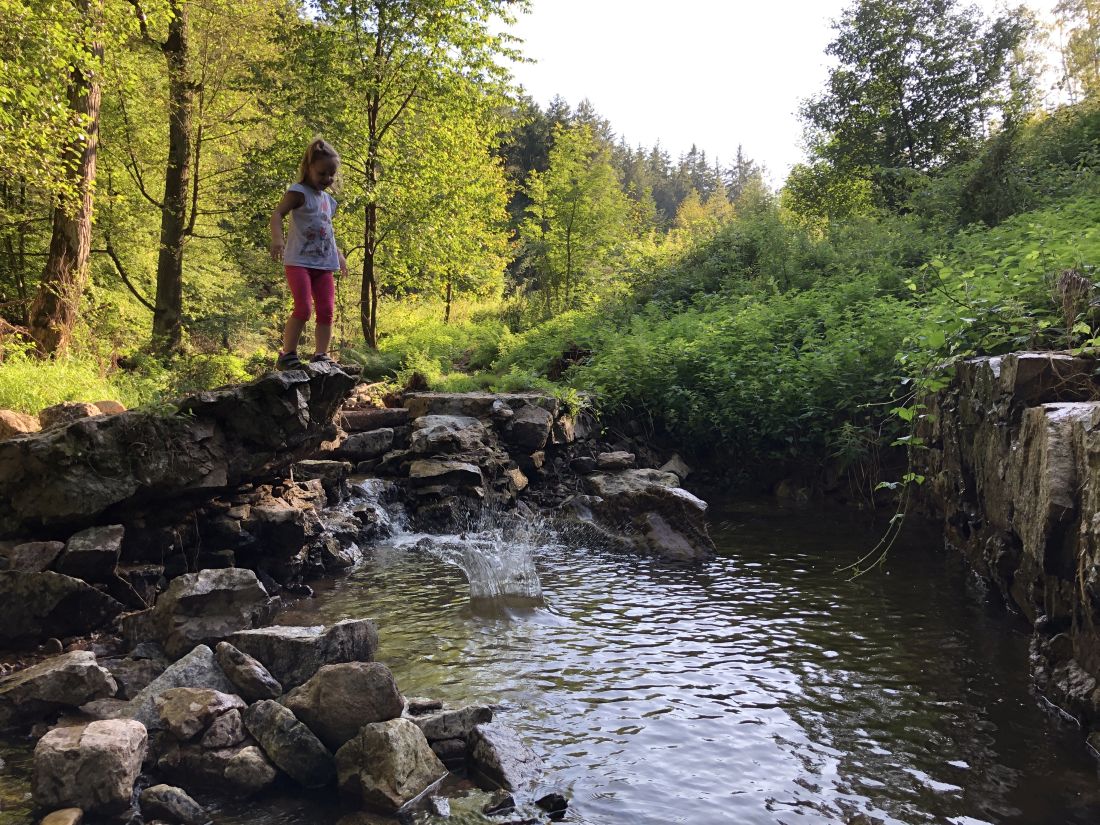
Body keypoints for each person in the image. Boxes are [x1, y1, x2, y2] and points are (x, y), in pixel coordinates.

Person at [269, 138, 348, 369]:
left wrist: (339, 255)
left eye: (331, 174)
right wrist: (277, 240)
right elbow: (277, 215)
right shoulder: (298, 192)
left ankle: (321, 355)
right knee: (303, 307)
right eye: (322, 173)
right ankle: (287, 355)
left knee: (326, 310)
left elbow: (327, 232)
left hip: (324, 264)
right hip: (298, 261)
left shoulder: (328, 200)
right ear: (308, 168)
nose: (327, 179)